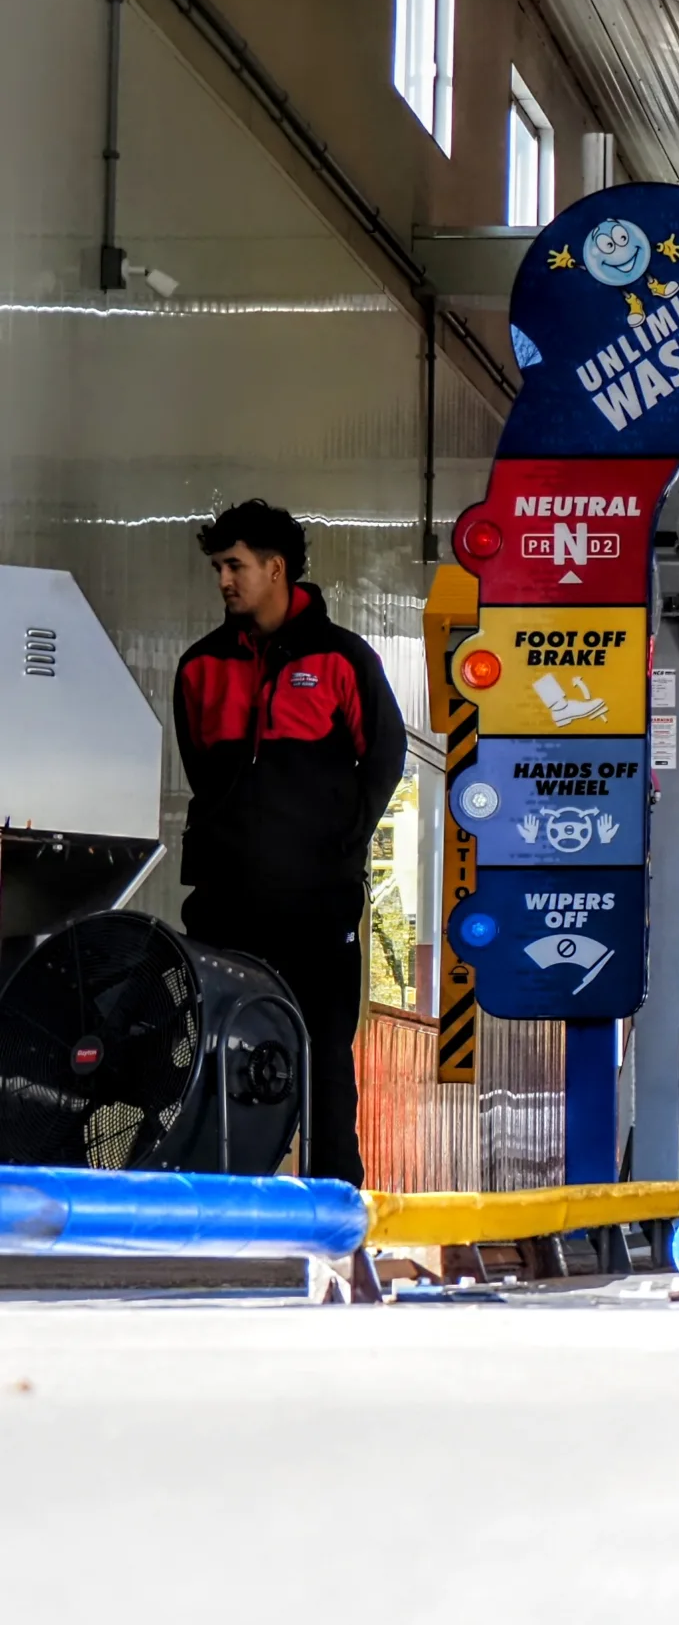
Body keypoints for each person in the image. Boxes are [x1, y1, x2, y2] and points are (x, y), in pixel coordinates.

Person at [174, 501, 405, 1184]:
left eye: (235, 566)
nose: (224, 580)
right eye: (218, 567)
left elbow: (383, 759)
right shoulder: (199, 668)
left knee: (324, 1054)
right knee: (215, 1051)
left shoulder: (342, 660)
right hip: (224, 908)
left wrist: (342, 846)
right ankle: (221, 1193)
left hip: (315, 905)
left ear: (276, 569)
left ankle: (333, 1200)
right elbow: (203, 775)